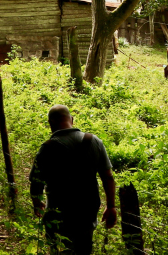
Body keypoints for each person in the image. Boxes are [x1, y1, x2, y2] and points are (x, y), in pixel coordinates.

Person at [29, 104, 117, 255]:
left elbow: (36, 182)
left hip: (58, 212)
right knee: (84, 248)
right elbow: (108, 177)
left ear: (50, 123)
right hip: (87, 210)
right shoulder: (94, 141)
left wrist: (37, 203)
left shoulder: (47, 148)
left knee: (60, 249)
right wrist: (111, 206)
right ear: (72, 119)